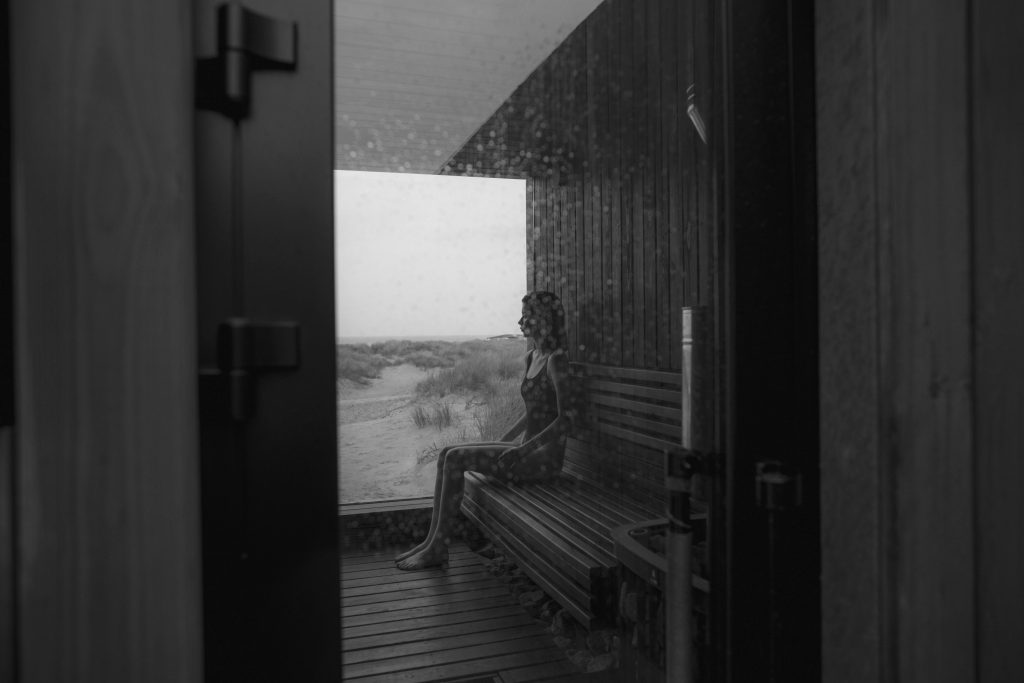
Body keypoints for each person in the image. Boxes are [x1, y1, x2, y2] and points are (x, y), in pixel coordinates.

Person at [395, 290, 574, 570]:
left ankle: (439, 548)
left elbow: (566, 419)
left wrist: (520, 451)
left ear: (546, 321)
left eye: (527, 316)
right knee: (446, 453)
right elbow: (533, 414)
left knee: (456, 460)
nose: (520, 321)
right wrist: (505, 441)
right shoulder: (531, 357)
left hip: (544, 461)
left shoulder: (556, 361)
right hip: (525, 451)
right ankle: (432, 541)